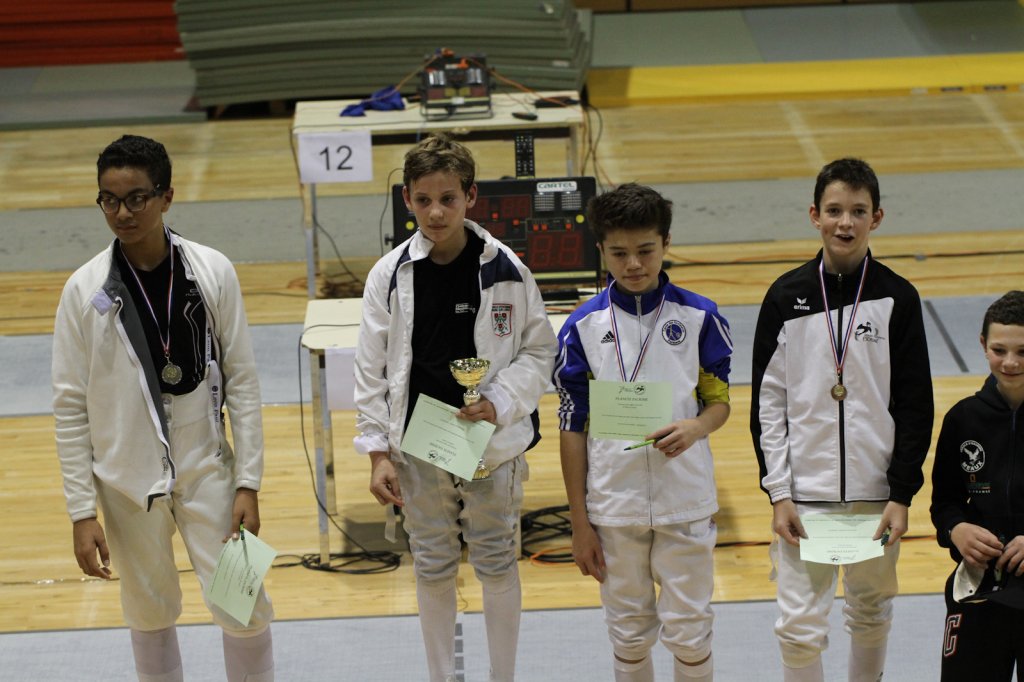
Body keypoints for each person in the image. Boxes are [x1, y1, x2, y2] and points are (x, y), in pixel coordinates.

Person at [52, 135, 274, 682]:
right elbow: (70, 408)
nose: (122, 213)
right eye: (109, 200)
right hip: (125, 485)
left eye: (136, 198)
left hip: (209, 472)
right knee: (148, 613)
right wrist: (82, 511)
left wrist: (248, 483)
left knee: (245, 606)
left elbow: (244, 383)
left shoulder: (212, 270)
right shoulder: (82, 291)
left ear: (167, 197)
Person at [352, 134, 557, 682]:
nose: (436, 212)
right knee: (433, 563)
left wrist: (500, 400)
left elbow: (540, 350)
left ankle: (502, 677)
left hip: (490, 442)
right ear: (406, 199)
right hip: (419, 443)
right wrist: (376, 452)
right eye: (423, 200)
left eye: (448, 198)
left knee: (496, 560)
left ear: (471, 196)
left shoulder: (507, 269)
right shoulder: (389, 274)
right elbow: (370, 370)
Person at [750, 157, 934, 682]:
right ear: (815, 215)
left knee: (871, 611)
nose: (845, 223)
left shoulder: (898, 297)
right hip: (804, 497)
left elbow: (916, 405)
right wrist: (779, 492)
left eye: (858, 211)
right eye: (834, 210)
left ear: (877, 217)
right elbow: (768, 405)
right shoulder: (785, 297)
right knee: (798, 628)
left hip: (877, 496)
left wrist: (901, 494)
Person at [553, 183, 733, 682]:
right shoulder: (581, 327)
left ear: (666, 242)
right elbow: (571, 426)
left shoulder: (700, 317)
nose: (633, 264)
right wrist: (579, 522)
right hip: (614, 505)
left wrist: (697, 427)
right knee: (628, 634)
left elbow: (719, 404)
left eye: (646, 250)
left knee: (690, 631)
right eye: (619, 253)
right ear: (600, 250)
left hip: (684, 500)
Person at [930, 290, 1024, 680]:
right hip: (981, 587)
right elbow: (944, 503)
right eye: (999, 350)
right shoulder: (963, 419)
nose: (1010, 362)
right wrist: (957, 529)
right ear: (983, 345)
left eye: (1023, 351)